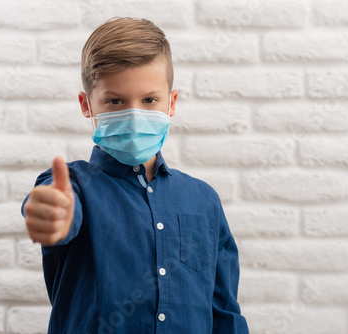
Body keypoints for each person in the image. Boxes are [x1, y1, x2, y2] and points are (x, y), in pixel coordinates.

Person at [21, 17, 249, 334]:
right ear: (87, 105)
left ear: (171, 103)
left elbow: (225, 311)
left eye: (149, 100)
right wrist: (53, 216)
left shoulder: (204, 199)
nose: (134, 114)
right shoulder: (73, 186)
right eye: (115, 101)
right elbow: (56, 209)